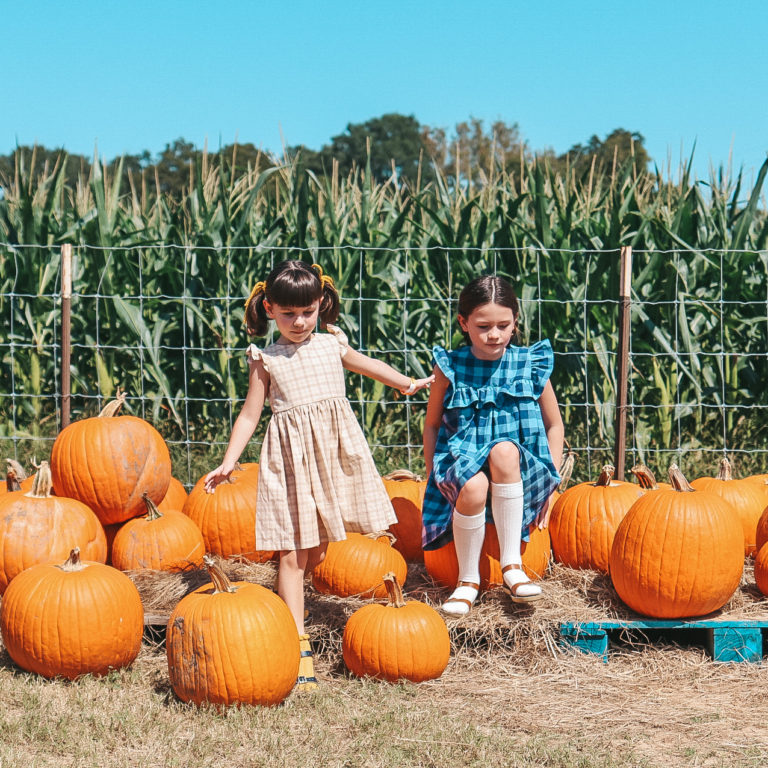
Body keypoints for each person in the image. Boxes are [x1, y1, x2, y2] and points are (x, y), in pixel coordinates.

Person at [204, 260, 433, 690]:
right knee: (293, 553)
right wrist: (230, 459)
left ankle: (293, 607)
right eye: (288, 313)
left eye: (307, 311)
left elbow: (366, 364)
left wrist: (406, 383)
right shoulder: (266, 359)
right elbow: (251, 413)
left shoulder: (331, 345)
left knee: (320, 551)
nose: (299, 321)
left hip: (332, 457)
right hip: (290, 463)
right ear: (269, 309)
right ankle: (295, 640)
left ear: (320, 305)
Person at [422, 274, 564, 616]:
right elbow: (431, 424)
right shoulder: (451, 367)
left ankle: (512, 565)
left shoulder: (529, 363)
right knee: (472, 487)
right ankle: (467, 580)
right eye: (484, 326)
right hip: (462, 456)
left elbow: (554, 424)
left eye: (504, 325)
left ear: (515, 321)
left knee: (504, 450)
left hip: (520, 465)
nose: (495, 334)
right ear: (464, 323)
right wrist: (432, 475)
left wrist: (552, 482)